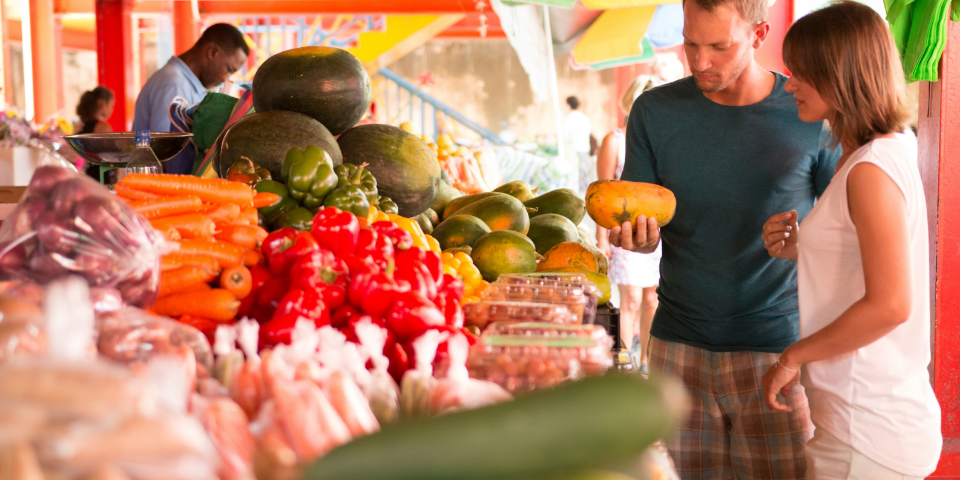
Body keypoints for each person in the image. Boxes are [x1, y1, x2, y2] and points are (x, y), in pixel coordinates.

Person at [609, 0, 843, 476]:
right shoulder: (653, 113)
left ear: (758, 36)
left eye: (719, 46)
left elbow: (846, 236)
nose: (699, 61)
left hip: (778, 352)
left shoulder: (811, 113)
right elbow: (645, 232)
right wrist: (637, 241)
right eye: (691, 42)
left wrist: (808, 239)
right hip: (677, 349)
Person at [760, 2, 942, 478]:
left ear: (840, 74)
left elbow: (890, 304)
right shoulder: (882, 149)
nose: (790, 83)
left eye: (802, 72)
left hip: (867, 432)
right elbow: (864, 262)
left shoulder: (869, 169)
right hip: (870, 421)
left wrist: (792, 358)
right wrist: (803, 247)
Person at [596, 75, 662, 374]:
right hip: (620, 233)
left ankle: (646, 362)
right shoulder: (615, 140)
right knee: (631, 298)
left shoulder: (659, 143)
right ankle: (622, 362)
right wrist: (601, 239)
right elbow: (600, 193)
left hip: (656, 233)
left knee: (652, 298)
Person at [133, 23, 249, 174]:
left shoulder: (184, 83)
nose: (226, 79)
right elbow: (166, 154)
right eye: (229, 70)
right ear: (213, 52)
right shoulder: (174, 85)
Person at [562, 96, 593, 195]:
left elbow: (568, 137)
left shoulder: (569, 118)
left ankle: (578, 194)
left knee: (576, 175)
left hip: (574, 150)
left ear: (568, 105)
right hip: (585, 148)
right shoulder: (584, 118)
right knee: (585, 174)